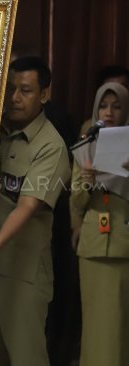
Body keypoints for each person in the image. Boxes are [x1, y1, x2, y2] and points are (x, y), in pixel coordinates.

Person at [0, 56, 71, 366]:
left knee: (27, 358)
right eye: (10, 88)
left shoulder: (50, 145)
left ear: (44, 95)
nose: (14, 98)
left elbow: (27, 205)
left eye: (25, 90)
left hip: (21, 275)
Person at [70, 81, 129, 366]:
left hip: (124, 245)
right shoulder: (86, 143)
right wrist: (86, 181)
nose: (109, 112)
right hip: (93, 245)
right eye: (104, 106)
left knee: (119, 325)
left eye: (116, 107)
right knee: (94, 322)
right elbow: (76, 204)